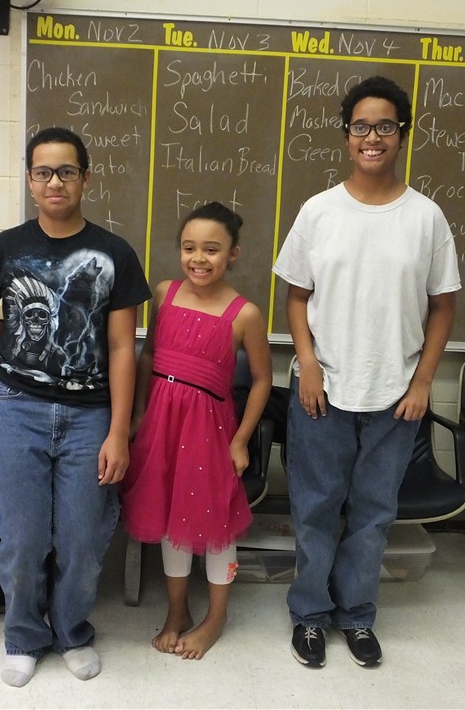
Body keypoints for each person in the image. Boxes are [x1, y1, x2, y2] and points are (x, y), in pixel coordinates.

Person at [272, 76, 461, 669]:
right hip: (322, 390)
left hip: (394, 395)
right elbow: (296, 296)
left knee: (374, 515)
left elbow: (443, 306)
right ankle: (309, 613)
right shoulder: (319, 210)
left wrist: (423, 382)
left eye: (384, 126)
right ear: (346, 135)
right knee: (315, 510)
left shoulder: (426, 217)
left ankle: (356, 614)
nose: (371, 137)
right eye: (360, 126)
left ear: (402, 134)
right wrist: (307, 364)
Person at [0, 127, 151, 688]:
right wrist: (17, 341)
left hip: (90, 416)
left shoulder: (115, 253)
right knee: (22, 540)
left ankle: (71, 631)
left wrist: (119, 431)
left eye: (67, 171)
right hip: (15, 407)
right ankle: (24, 636)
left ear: (85, 178)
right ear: (29, 180)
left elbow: (123, 348)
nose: (55, 182)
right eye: (43, 172)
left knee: (83, 540)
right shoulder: (4, 248)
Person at [122, 201, 272, 660]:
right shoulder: (164, 293)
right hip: (161, 425)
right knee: (172, 520)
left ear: (233, 254)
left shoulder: (245, 314)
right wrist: (139, 414)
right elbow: (148, 355)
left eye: (211, 249)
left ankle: (216, 617)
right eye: (189, 248)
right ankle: (177, 610)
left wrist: (241, 440)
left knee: (213, 523)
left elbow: (263, 380)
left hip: (209, 430)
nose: (198, 258)